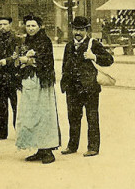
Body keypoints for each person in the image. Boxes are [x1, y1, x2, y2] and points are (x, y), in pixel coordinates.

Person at [60, 16, 114, 157]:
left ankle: (93, 147)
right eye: (75, 29)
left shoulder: (93, 44)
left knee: (92, 118)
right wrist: (64, 83)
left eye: (81, 29)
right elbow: (65, 65)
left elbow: (109, 60)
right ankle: (72, 146)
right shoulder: (69, 45)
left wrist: (94, 57)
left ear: (86, 30)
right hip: (72, 89)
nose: (78, 32)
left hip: (90, 89)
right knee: (73, 118)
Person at [15, 14, 61, 164]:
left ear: (40, 27)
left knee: (43, 114)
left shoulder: (45, 41)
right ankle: (38, 148)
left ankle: (48, 149)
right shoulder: (26, 41)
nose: (30, 28)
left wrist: (29, 60)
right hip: (29, 81)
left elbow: (45, 60)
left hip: (42, 81)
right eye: (28, 26)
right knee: (31, 115)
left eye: (33, 26)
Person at [0, 16, 20, 140]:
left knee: (16, 105)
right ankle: (2, 133)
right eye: (0, 24)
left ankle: (19, 132)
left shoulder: (16, 40)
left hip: (13, 76)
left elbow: (18, 56)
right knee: (1, 105)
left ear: (10, 25)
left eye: (5, 24)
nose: (2, 27)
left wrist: (7, 61)